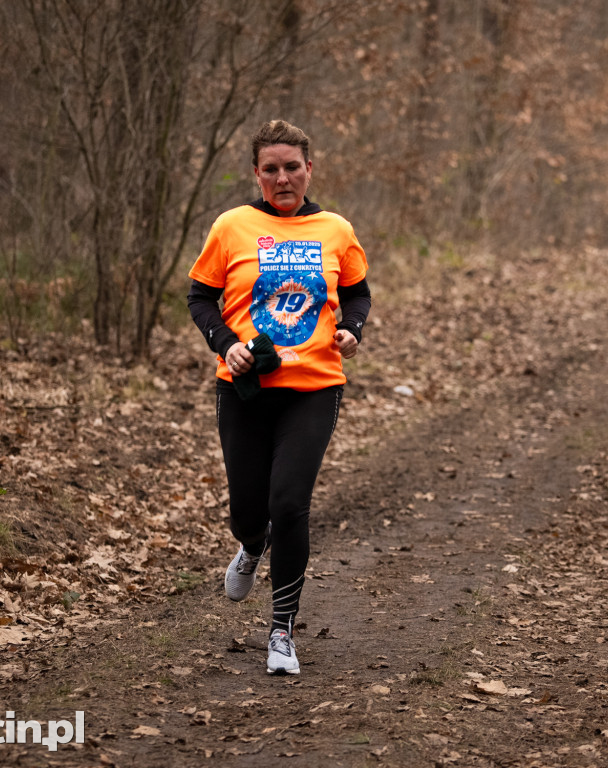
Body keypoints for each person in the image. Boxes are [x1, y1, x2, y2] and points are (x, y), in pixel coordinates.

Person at [186, 120, 371, 675]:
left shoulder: (335, 228)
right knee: (249, 510)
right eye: (271, 168)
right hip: (243, 387)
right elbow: (201, 297)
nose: (283, 177)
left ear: (309, 169)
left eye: (292, 167)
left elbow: (357, 291)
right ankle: (250, 544)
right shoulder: (231, 226)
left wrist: (353, 330)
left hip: (313, 387)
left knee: (289, 504)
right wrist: (226, 344)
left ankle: (282, 631)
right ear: (257, 174)